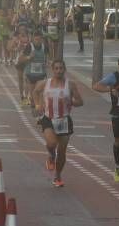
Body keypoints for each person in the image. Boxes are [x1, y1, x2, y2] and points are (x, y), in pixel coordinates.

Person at [32, 59, 84, 187]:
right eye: (56, 68)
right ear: (52, 70)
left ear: (64, 70)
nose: (59, 71)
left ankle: (58, 175)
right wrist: (38, 104)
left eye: (61, 68)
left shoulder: (70, 85)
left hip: (64, 120)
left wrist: (71, 102)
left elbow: (80, 102)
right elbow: (35, 92)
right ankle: (50, 155)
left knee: (62, 151)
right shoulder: (45, 83)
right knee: (51, 143)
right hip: (49, 118)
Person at [19, 30, 48, 106]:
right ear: (33, 39)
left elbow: (47, 58)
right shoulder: (29, 46)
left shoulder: (44, 46)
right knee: (33, 97)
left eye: (40, 39)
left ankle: (37, 108)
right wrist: (29, 57)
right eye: (36, 39)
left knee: (40, 93)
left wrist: (47, 63)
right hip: (31, 74)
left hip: (41, 74)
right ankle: (30, 101)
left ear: (42, 39)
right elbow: (21, 59)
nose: (38, 41)